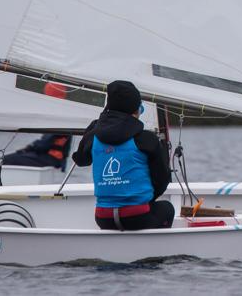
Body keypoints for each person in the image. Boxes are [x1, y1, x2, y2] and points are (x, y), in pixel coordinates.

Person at [72, 80, 173, 230]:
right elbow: (162, 179)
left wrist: (92, 129)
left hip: (103, 218)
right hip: (137, 217)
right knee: (167, 208)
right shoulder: (146, 139)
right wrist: (145, 201)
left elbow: (81, 160)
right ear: (136, 110)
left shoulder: (94, 136)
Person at [2, 134, 73, 170]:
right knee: (13, 157)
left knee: (8, 159)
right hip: (58, 161)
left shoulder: (57, 125)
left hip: (51, 159)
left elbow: (42, 145)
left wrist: (28, 148)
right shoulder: (63, 125)